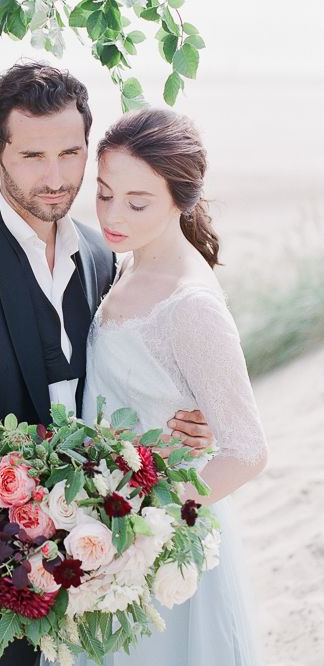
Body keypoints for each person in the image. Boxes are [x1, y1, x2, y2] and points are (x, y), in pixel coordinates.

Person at [0, 63, 213, 666]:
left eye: (71, 153)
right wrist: (55, 499)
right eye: (34, 155)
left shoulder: (99, 253)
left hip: (98, 569)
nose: (57, 176)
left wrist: (177, 424)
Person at [54, 107, 268, 666]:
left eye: (136, 201)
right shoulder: (127, 265)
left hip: (158, 546)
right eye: (103, 193)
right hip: (107, 529)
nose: (112, 214)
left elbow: (247, 451)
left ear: (181, 199)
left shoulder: (191, 305)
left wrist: (144, 524)